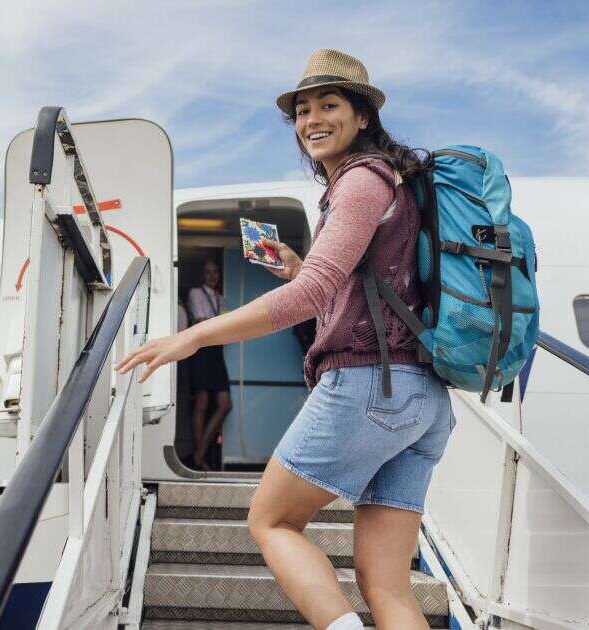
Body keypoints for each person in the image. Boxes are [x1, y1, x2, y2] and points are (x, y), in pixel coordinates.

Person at [118, 48, 454, 630]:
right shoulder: (394, 184)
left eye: (329, 105)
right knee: (388, 588)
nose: (312, 120)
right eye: (302, 111)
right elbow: (355, 286)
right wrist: (303, 268)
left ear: (363, 117)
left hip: (369, 387)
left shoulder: (360, 181)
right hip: (423, 399)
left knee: (270, 523)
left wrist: (194, 335)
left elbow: (311, 300)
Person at [185, 259, 232, 471]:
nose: (212, 275)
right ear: (202, 275)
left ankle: (198, 454)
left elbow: (226, 326)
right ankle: (200, 458)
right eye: (208, 271)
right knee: (202, 403)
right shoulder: (195, 293)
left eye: (216, 272)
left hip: (216, 351)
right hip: (202, 350)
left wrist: (216, 325)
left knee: (225, 404)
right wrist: (217, 325)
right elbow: (199, 321)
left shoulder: (221, 298)